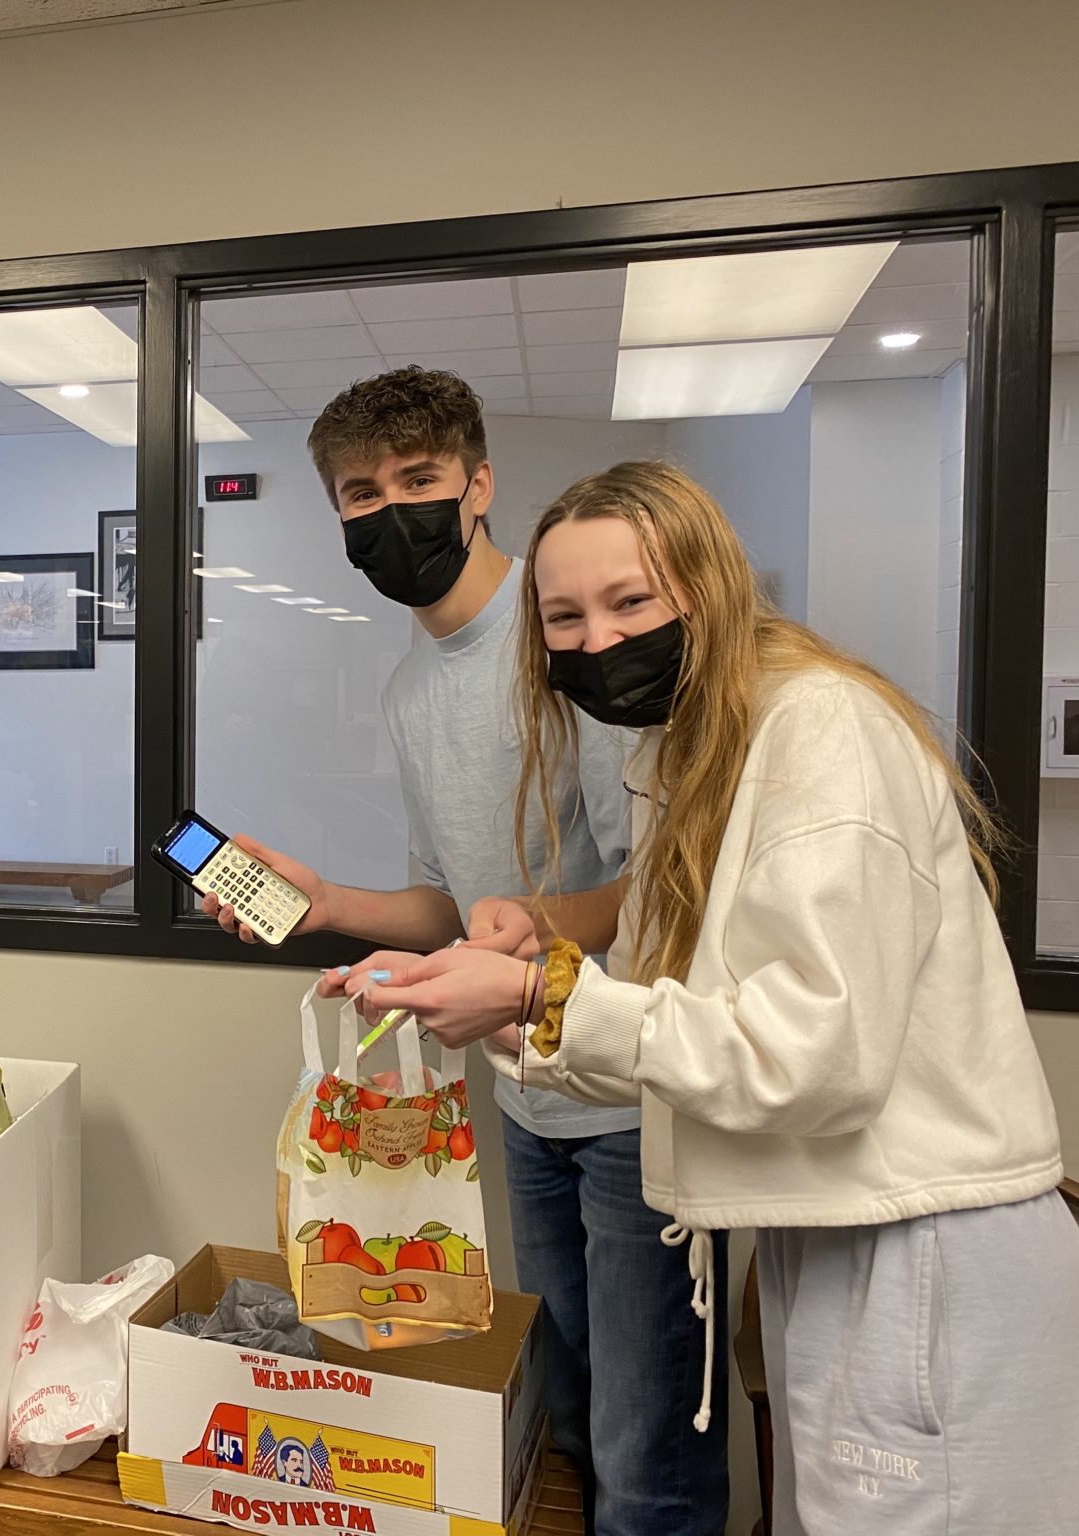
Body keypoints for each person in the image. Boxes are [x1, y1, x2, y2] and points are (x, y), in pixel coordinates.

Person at [341, 461, 1075, 1535]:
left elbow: (810, 1056)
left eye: (629, 602)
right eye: (563, 618)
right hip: (825, 1219)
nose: (596, 642)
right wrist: (520, 1000)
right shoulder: (692, 748)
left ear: (710, 585)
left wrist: (546, 997)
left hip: (922, 1241)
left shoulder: (817, 729)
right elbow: (660, 1003)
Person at [206, 369, 726, 1535]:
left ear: (478, 485)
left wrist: (528, 933)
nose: (389, 511)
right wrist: (325, 898)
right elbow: (450, 905)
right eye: (359, 492)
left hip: (636, 1099)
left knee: (647, 1457)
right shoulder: (405, 689)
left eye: (418, 480)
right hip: (523, 1096)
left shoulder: (574, 651)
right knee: (577, 1424)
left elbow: (654, 886)